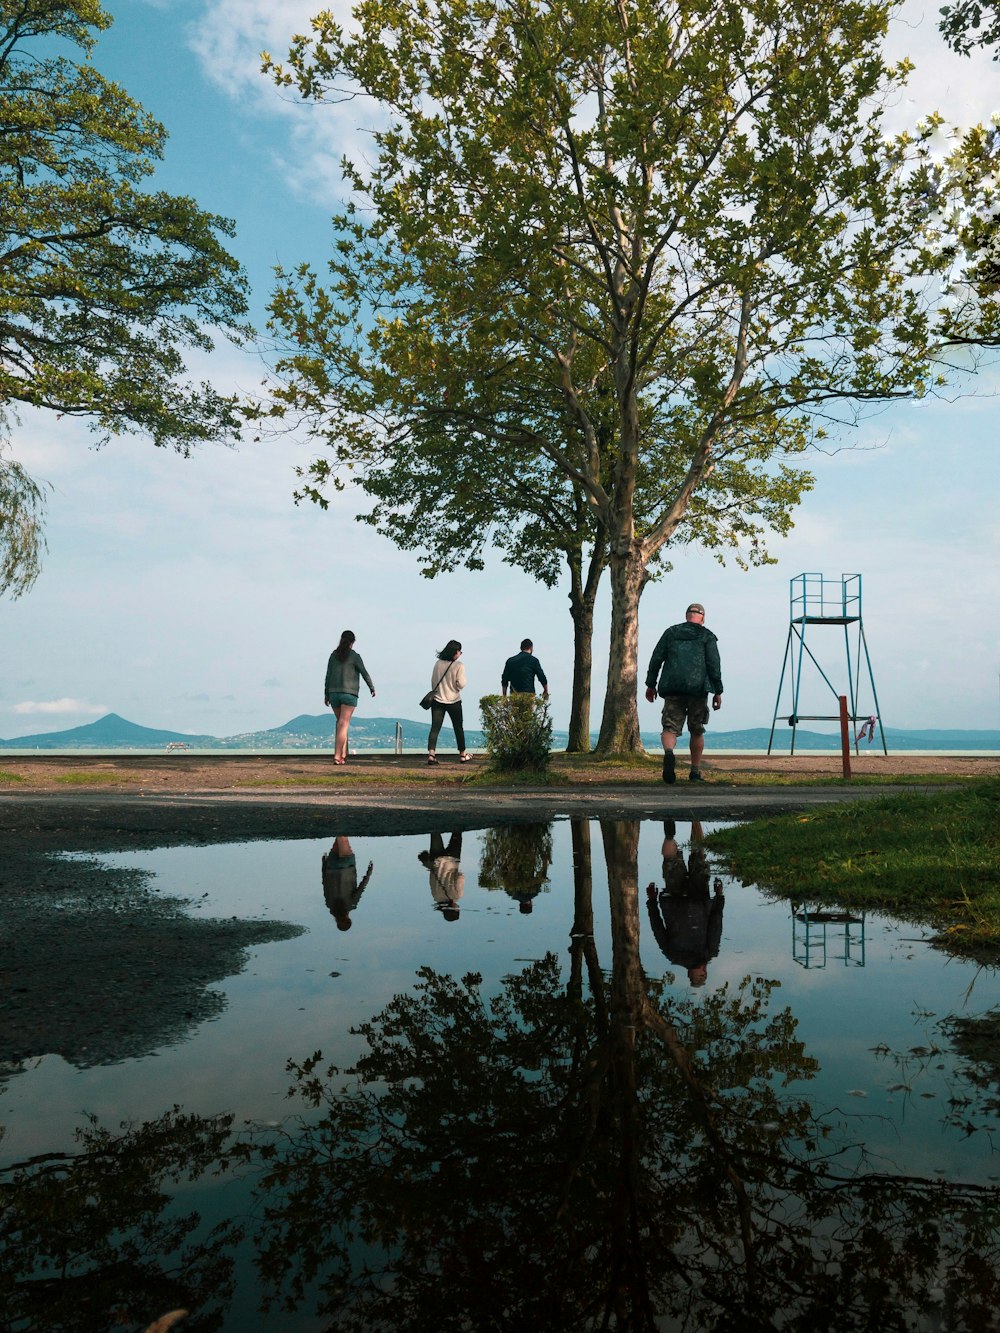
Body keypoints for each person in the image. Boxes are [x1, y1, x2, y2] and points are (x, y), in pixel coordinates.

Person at [644, 601, 723, 784]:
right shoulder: (707, 636)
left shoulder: (671, 633)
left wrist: (651, 684)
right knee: (696, 730)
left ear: (686, 615)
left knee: (669, 727)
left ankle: (669, 753)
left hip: (673, 688)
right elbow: (714, 665)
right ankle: (694, 772)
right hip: (698, 690)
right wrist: (718, 691)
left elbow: (656, 659)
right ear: (702, 618)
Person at [646, 820, 725, 987]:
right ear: (688, 974)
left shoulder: (709, 953)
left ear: (703, 972)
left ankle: (695, 818)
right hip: (674, 901)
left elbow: (715, 923)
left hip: (699, 899)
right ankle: (669, 835)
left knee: (699, 855)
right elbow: (657, 927)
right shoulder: (672, 955)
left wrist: (719, 896)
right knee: (670, 860)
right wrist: (652, 901)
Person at [324, 630, 376, 765]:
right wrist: (372, 687)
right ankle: (337, 756)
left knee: (341, 724)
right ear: (352, 642)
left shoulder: (333, 655)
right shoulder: (354, 656)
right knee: (343, 724)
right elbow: (365, 673)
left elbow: (328, 676)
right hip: (349, 693)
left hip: (333, 693)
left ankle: (342, 756)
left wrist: (326, 694)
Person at [426, 640, 472, 764]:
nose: (460, 654)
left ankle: (431, 754)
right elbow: (461, 684)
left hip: (437, 699)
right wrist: (455, 687)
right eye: (460, 651)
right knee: (458, 728)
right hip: (454, 700)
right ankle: (462, 754)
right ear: (455, 652)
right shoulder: (459, 666)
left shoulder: (437, 664)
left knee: (435, 728)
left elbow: (433, 682)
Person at [321, 836, 373, 931]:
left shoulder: (351, 904)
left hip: (347, 866)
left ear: (348, 919)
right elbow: (325, 884)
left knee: (342, 836)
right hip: (331, 867)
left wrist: (369, 872)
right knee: (339, 836)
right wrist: (324, 865)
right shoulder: (329, 904)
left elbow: (361, 887)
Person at [418, 832, 465, 920]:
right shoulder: (435, 896)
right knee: (435, 831)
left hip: (452, 859)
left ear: (455, 909)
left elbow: (460, 877)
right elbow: (432, 876)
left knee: (457, 831)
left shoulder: (457, 895)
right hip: (436, 860)